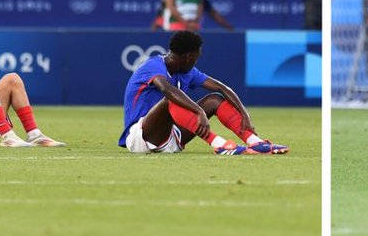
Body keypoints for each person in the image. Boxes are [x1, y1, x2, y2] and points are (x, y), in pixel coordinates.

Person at [118, 28, 288, 155]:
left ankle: (255, 142)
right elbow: (167, 90)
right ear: (189, 57)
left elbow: (221, 88)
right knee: (170, 99)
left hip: (172, 137)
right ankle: (220, 145)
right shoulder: (153, 65)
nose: (196, 62)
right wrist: (199, 111)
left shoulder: (187, 72)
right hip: (141, 138)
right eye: (196, 58)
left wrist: (244, 114)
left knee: (214, 99)